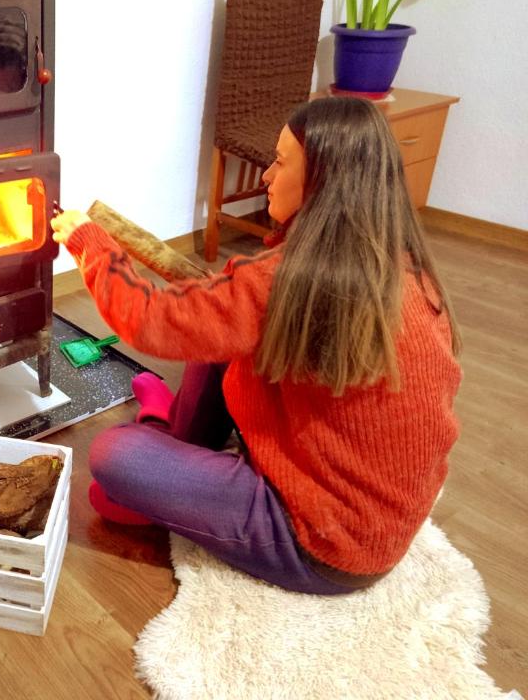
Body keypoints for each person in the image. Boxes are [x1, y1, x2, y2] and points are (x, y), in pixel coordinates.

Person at [50, 96, 462, 595]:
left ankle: (160, 437)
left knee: (116, 456)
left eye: (281, 161)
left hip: (319, 546)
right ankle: (176, 443)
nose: (267, 175)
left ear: (321, 180)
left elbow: (150, 321)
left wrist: (90, 243)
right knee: (219, 338)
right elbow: (215, 316)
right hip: (377, 519)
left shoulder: (290, 280)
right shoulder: (404, 267)